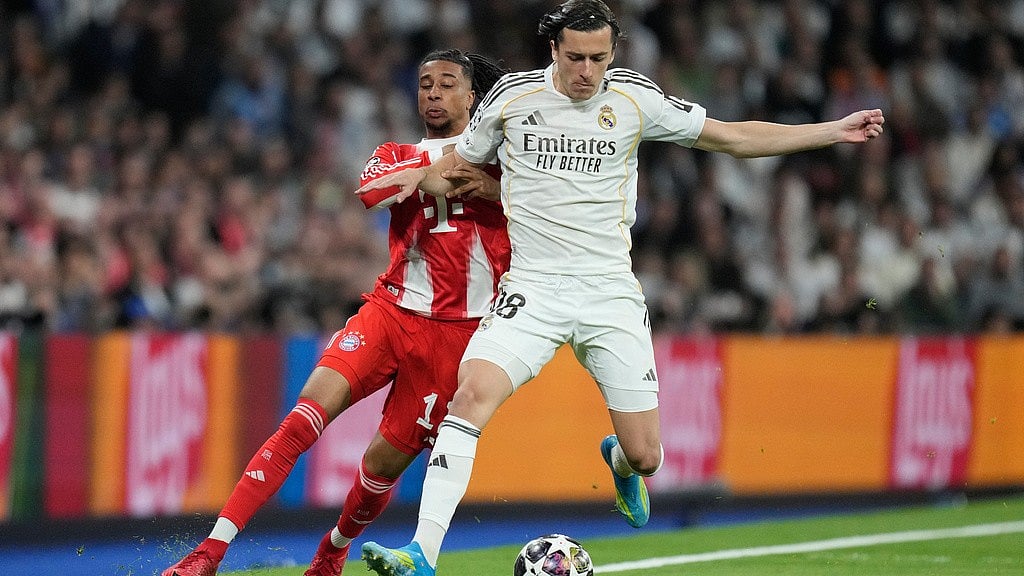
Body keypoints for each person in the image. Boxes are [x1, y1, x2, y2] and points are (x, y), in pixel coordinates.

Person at [355, 2, 885, 575]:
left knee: (645, 454)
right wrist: (414, 175)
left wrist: (831, 130)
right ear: (553, 50)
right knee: (468, 398)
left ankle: (622, 464)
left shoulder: (634, 99)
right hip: (533, 289)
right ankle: (422, 553)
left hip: (609, 294)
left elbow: (730, 137)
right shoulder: (510, 98)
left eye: (599, 58)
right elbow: (458, 167)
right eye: (576, 57)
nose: (588, 71)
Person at [161, 49, 511, 576]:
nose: (433, 94)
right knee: (302, 419)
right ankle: (208, 553)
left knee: (379, 467)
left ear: (472, 96)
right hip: (389, 312)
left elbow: (533, 202)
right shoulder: (397, 150)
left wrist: (468, 178)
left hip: (456, 336)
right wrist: (444, 172)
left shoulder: (508, 162)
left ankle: (333, 549)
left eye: (446, 84)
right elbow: (371, 189)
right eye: (424, 85)